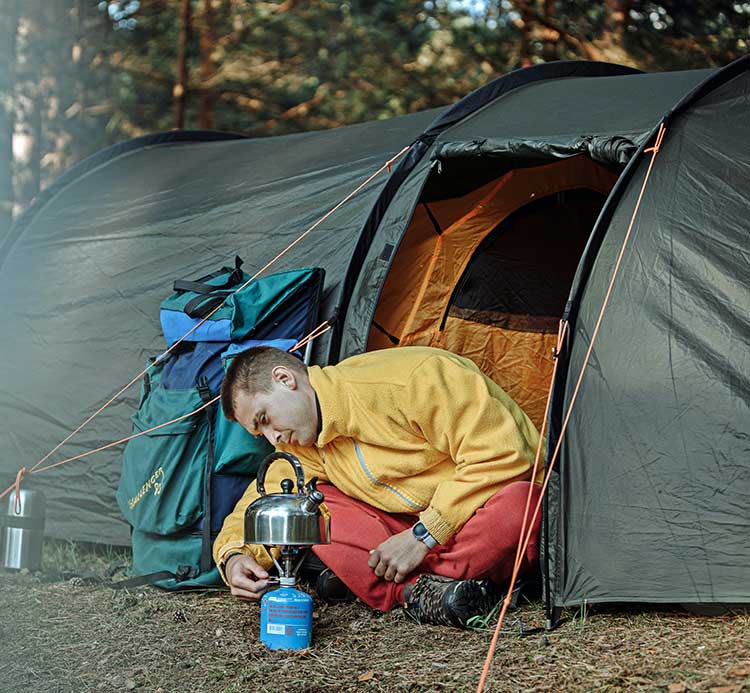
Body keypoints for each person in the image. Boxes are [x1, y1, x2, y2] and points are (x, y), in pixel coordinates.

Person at [213, 345, 543, 627]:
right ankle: (428, 592)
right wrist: (232, 555)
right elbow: (267, 495)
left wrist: (423, 536)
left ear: (285, 379)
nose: (273, 438)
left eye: (265, 419)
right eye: (262, 434)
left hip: (469, 518)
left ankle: (401, 586)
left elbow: (506, 455)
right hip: (401, 535)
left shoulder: (413, 379)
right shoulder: (300, 446)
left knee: (523, 504)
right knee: (313, 504)